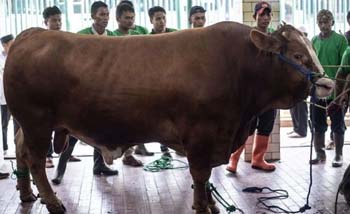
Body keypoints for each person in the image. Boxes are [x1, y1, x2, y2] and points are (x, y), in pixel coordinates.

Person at [226, 1, 276, 173]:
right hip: (251, 94)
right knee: (247, 126)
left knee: (266, 125)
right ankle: (233, 159)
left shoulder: (275, 39)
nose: (265, 18)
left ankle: (258, 159)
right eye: (262, 14)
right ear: (255, 16)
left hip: (270, 92)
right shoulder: (248, 38)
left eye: (268, 14)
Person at [310, 9, 347, 167]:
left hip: (336, 91)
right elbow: (311, 64)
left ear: (332, 22)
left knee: (338, 124)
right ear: (317, 23)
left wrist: (343, 93)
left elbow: (344, 69)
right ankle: (319, 153)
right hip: (318, 90)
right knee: (317, 123)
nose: (324, 25)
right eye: (321, 22)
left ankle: (338, 155)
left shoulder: (340, 40)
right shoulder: (314, 40)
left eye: (327, 21)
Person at [148, 6, 176, 157]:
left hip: (174, 82)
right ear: (151, 20)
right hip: (155, 83)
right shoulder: (147, 39)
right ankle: (164, 149)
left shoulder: (175, 35)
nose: (161, 21)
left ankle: (178, 145)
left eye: (163, 18)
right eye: (158, 18)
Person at [287, 26, 308, 138]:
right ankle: (296, 128)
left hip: (302, 81)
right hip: (294, 81)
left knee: (301, 106)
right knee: (293, 105)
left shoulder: (307, 49)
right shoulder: (296, 48)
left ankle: (302, 130)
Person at [0, 34, 14, 180]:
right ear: (4, 45)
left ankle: (19, 148)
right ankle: (4, 149)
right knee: (3, 124)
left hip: (14, 97)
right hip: (2, 97)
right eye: (11, 43)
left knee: (18, 124)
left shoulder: (16, 57)